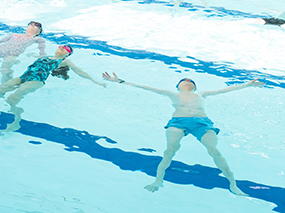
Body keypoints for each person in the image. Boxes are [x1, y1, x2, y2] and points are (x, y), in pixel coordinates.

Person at [101, 72, 263, 195]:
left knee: (214, 151)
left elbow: (225, 90)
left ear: (195, 87)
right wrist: (120, 81)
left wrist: (248, 85)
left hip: (202, 123)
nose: (187, 80)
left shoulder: (201, 94)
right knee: (170, 150)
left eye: (190, 80)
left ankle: (233, 184)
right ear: (177, 86)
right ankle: (158, 181)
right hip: (178, 122)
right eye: (183, 80)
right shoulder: (172, 93)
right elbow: (146, 87)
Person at [0, 44, 105, 132]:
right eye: (61, 46)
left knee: (12, 98)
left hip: (36, 81)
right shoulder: (46, 56)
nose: (62, 47)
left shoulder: (65, 61)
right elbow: (33, 55)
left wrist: (95, 81)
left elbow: (80, 71)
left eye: (66, 48)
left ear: (67, 54)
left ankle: (16, 121)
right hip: (23, 77)